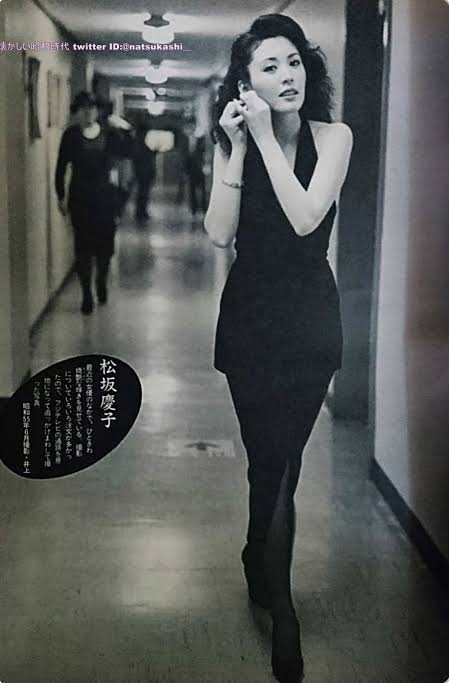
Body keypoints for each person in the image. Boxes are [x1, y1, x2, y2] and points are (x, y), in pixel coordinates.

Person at [204, 14, 353, 683]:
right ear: (245, 84)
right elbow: (218, 233)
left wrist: (265, 139)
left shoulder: (333, 137)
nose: (287, 75)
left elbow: (305, 219)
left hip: (309, 322)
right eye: (268, 66)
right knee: (265, 459)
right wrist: (238, 147)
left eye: (293, 61)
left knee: (283, 461)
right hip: (249, 320)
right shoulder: (232, 140)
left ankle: (283, 610)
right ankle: (255, 552)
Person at [55, 91, 133, 314]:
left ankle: (101, 281)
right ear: (77, 112)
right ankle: (86, 294)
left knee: (104, 248)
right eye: (83, 109)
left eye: (91, 108)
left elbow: (128, 152)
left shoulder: (109, 134)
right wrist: (60, 195)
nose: (87, 113)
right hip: (80, 199)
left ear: (97, 111)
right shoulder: (71, 136)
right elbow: (61, 167)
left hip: (105, 199)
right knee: (83, 249)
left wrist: (125, 128)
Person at [180, 118, 207, 216]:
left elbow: (203, 153)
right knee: (191, 189)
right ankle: (193, 209)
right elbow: (183, 155)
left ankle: (203, 207)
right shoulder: (184, 140)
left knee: (202, 189)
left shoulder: (201, 139)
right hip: (190, 168)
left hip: (200, 167)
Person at [132, 122, 157, 224]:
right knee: (143, 193)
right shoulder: (139, 144)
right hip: (143, 172)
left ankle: (142, 212)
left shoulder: (140, 144)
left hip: (144, 172)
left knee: (143, 193)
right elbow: (143, 159)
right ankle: (141, 213)